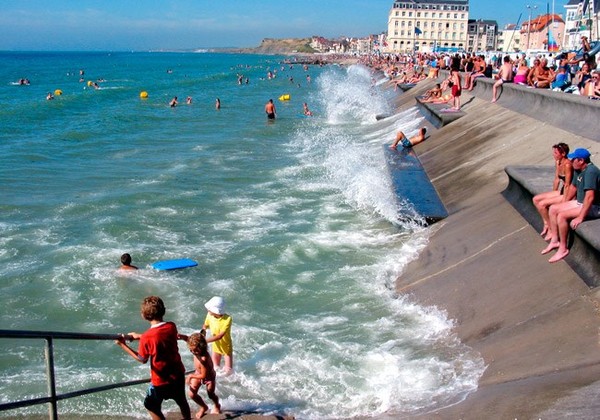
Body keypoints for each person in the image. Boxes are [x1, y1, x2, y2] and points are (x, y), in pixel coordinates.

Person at [115, 296, 191, 420]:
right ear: (163, 311)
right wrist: (140, 336)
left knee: (151, 405)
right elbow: (159, 337)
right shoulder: (171, 326)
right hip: (177, 375)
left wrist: (122, 344)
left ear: (144, 315)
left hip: (160, 380)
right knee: (182, 401)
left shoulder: (147, 337)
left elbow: (142, 359)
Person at [542, 148, 600, 263]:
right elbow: (573, 188)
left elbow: (590, 197)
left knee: (562, 216)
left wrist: (580, 217)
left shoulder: (591, 172)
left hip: (594, 207)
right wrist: (565, 203)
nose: (570, 161)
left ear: (581, 160)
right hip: (581, 203)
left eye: (573, 159)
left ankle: (563, 248)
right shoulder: (578, 169)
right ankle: (555, 241)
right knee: (554, 208)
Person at [532, 143, 573, 240]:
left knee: (542, 204)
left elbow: (567, 185)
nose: (553, 155)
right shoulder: (558, 162)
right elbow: (556, 180)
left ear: (563, 153)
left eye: (555, 153)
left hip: (569, 193)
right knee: (536, 199)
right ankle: (547, 224)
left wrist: (565, 202)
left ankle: (551, 229)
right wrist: (553, 194)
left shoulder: (567, 165)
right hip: (562, 191)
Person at [179, 332, 221, 418]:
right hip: (198, 373)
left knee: (211, 394)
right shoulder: (195, 348)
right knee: (191, 394)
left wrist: (190, 376)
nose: (193, 352)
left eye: (195, 350)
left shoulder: (203, 358)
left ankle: (217, 404)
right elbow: (188, 339)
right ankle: (203, 407)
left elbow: (203, 375)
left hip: (208, 377)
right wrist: (181, 336)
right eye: (191, 350)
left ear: (202, 347)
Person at [202, 296, 233, 374]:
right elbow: (205, 326)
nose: (208, 310)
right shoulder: (209, 315)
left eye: (210, 309)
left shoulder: (227, 319)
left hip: (226, 346)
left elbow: (220, 336)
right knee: (215, 368)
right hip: (216, 345)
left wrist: (204, 341)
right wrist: (203, 333)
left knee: (228, 372)